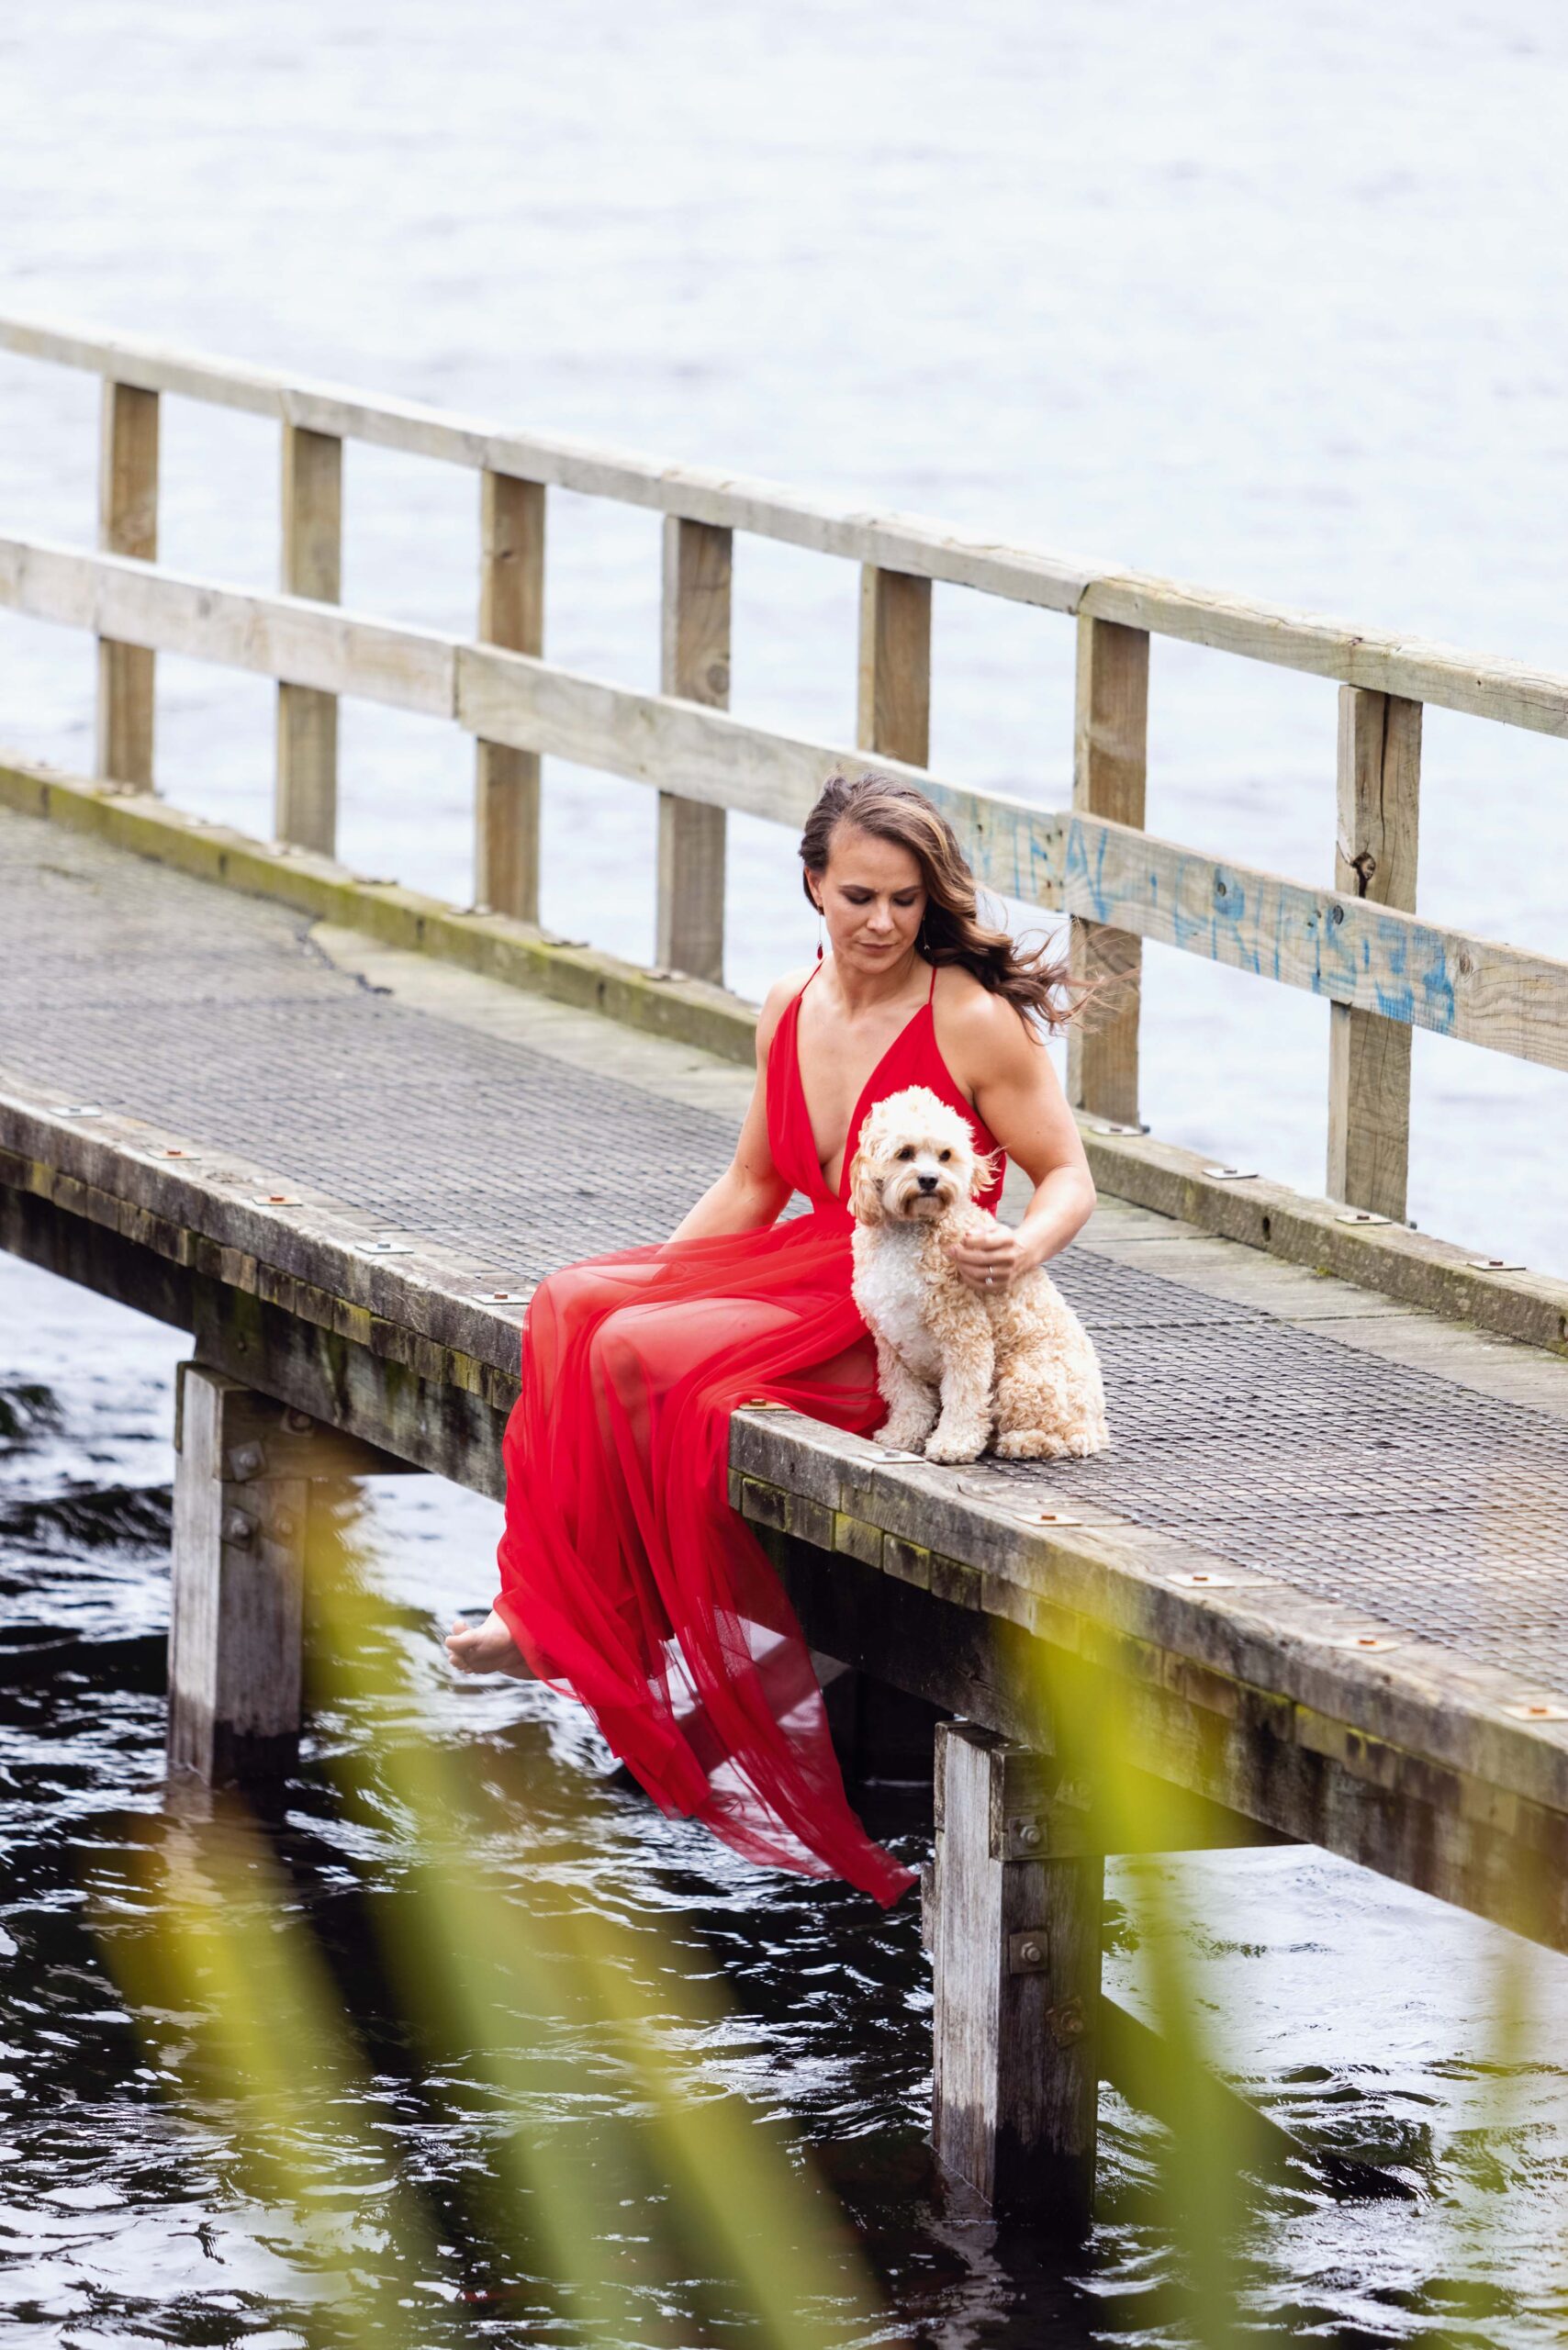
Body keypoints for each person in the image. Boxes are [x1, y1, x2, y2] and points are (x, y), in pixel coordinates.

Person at [446, 770, 1097, 1902]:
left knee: (635, 1355)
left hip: (902, 1298)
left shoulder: (966, 1014)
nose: (882, 922)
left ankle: (585, 1627)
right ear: (813, 885)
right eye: (857, 896)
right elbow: (753, 1183)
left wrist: (1025, 1247)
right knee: (576, 1304)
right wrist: (658, 1277)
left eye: (903, 899)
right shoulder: (789, 1006)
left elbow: (1067, 1173)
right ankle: (544, 1615)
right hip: (810, 1258)